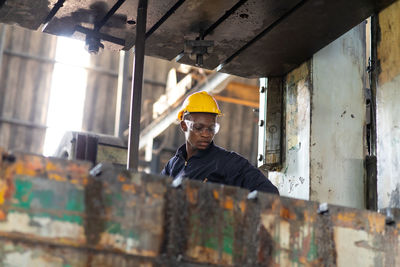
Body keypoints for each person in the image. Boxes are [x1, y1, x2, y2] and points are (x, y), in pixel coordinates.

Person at [161, 91, 279, 195]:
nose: (206, 134)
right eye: (198, 128)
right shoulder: (173, 166)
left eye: (211, 128)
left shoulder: (229, 163)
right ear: (183, 125)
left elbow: (269, 194)